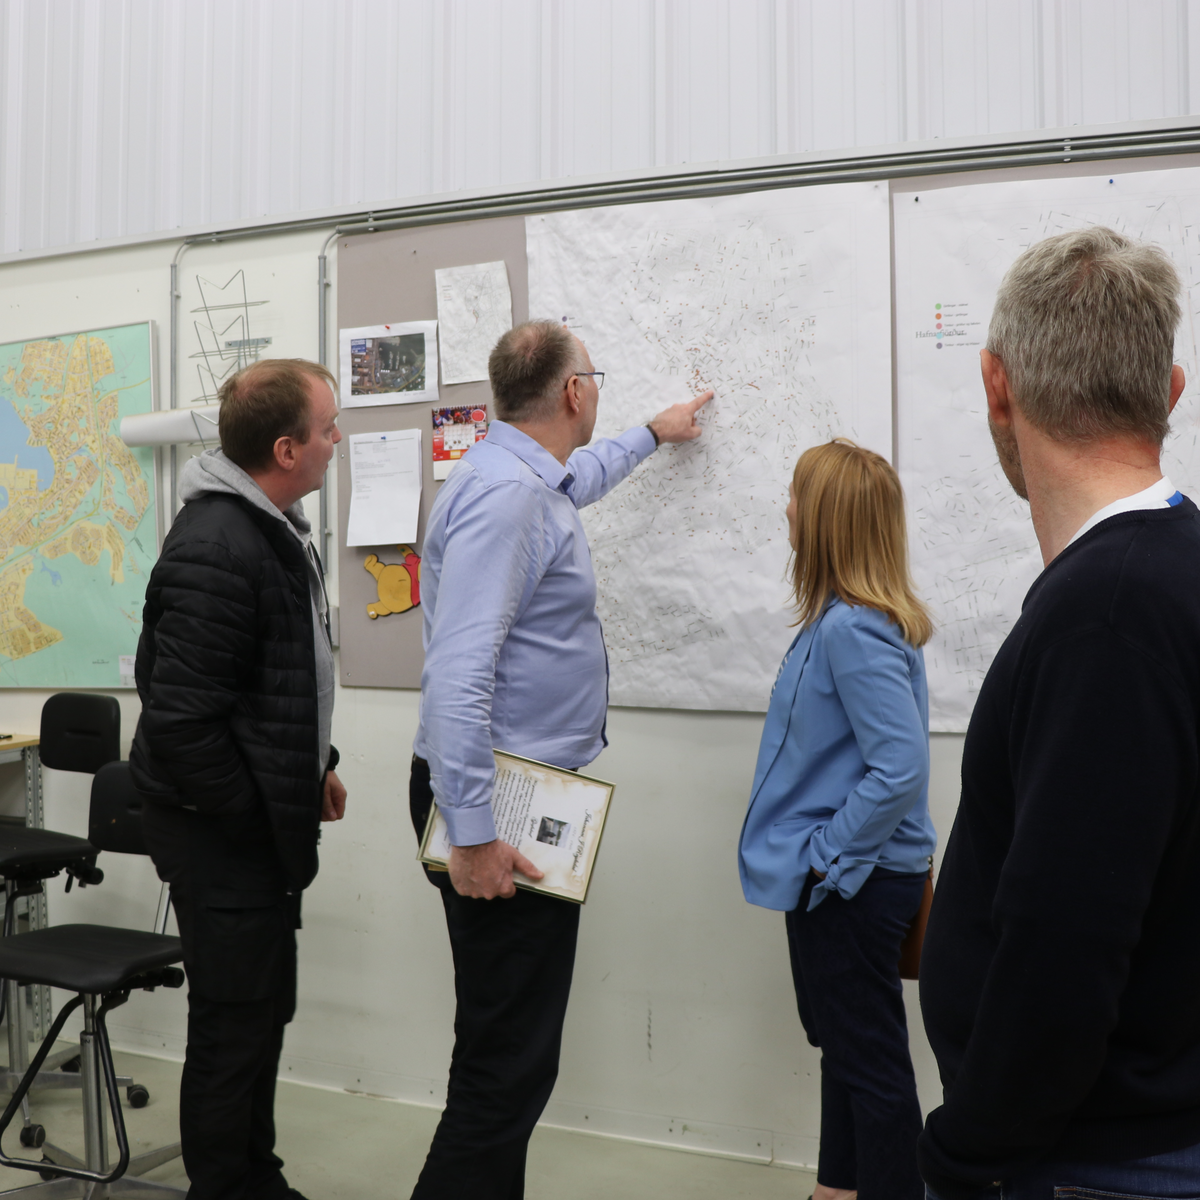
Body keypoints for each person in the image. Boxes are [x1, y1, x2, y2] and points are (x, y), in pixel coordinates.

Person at [917, 227, 1200, 1200]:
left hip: (1097, 1161)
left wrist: (965, 1156)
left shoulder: (1108, 616)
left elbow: (1064, 947)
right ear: (1169, 392)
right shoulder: (1170, 570)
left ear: (996, 386)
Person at [409, 319, 712, 1200]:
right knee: (507, 1065)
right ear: (575, 392)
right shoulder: (510, 499)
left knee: (503, 1050)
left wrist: (652, 433)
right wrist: (472, 835)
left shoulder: (521, 475)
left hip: (507, 789)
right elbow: (457, 678)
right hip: (495, 802)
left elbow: (579, 479)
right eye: (596, 378)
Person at [130, 358, 347, 1200]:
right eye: (327, 428)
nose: (337, 440)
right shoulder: (219, 544)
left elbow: (272, 681)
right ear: (286, 449)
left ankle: (258, 1177)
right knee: (232, 1025)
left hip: (251, 824)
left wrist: (313, 767)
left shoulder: (267, 527)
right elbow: (183, 722)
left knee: (260, 1014)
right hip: (220, 832)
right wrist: (258, 811)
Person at [738, 438, 936, 1200]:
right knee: (848, 1051)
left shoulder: (853, 629)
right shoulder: (841, 620)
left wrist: (828, 856)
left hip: (853, 882)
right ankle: (837, 1188)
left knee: (871, 1065)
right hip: (849, 878)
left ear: (823, 520)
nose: (785, 509)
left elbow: (901, 768)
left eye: (796, 496)